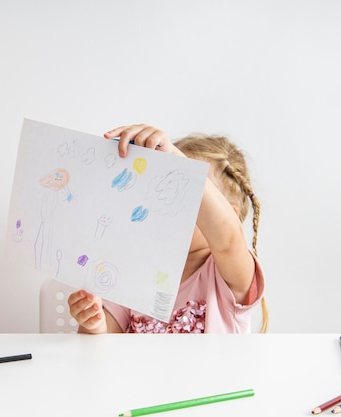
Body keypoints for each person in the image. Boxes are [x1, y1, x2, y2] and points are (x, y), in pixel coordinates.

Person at [68, 124, 268, 334]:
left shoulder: (226, 279)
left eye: (187, 196)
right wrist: (94, 323)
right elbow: (104, 344)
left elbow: (227, 237)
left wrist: (175, 158)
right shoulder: (134, 269)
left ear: (230, 214)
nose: (171, 206)